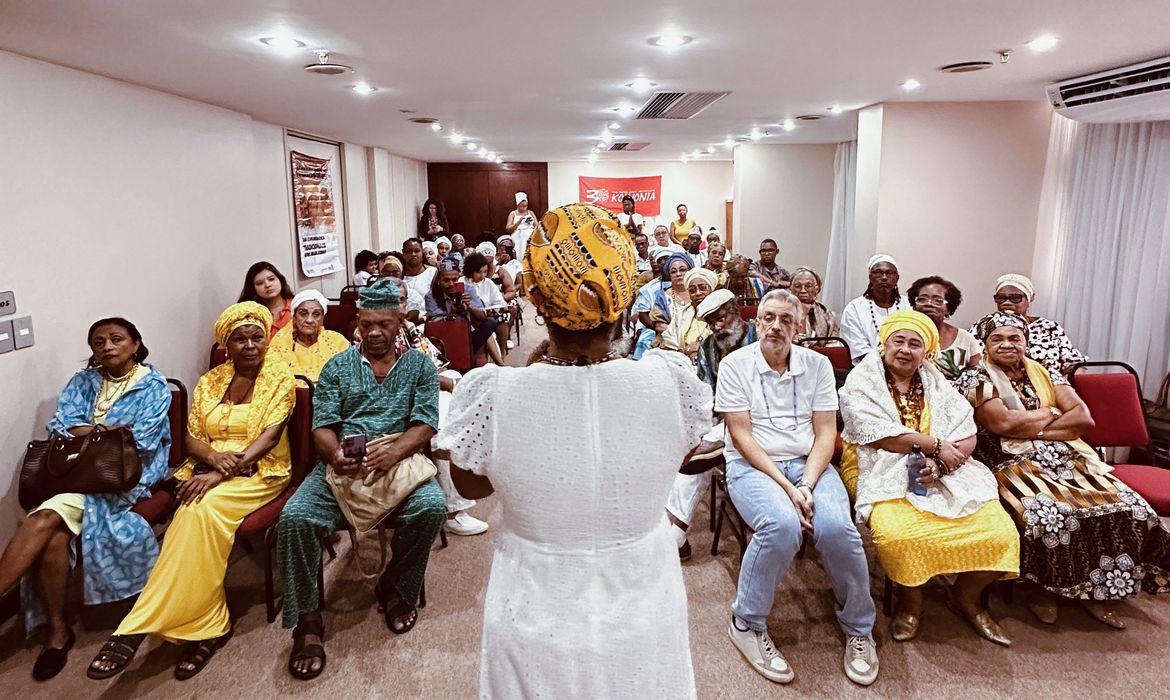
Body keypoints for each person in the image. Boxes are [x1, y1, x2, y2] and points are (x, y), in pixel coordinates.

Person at [437, 202, 711, 699]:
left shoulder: (495, 393)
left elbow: (469, 483)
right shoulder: (668, 382)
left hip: (534, 602)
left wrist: (526, 384)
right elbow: (685, 454)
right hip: (643, 598)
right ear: (624, 298)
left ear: (538, 301)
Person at [88, 303, 294, 680]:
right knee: (193, 512)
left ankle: (137, 624)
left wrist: (220, 473)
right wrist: (214, 459)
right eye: (239, 338)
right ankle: (210, 625)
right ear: (226, 345)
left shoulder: (280, 375)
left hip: (260, 472)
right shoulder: (211, 380)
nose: (249, 345)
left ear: (268, 338)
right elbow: (192, 438)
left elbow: (269, 436)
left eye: (256, 336)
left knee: (196, 508)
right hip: (208, 468)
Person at [277, 279, 447, 681]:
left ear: (399, 320)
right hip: (343, 467)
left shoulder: (420, 366)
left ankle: (395, 586)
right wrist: (334, 453)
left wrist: (395, 451)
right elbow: (322, 426)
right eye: (367, 323)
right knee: (295, 518)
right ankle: (306, 619)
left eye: (384, 324)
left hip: (399, 462)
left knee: (432, 507)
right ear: (357, 321)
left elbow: (425, 422)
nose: (374, 332)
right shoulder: (337, 367)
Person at [956, 312, 1170, 628]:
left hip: (1068, 456)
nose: (1007, 344)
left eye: (1014, 338)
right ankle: (1042, 591)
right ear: (985, 345)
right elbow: (1002, 424)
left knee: (1128, 507)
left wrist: (1036, 429)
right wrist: (1053, 412)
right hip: (1009, 461)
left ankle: (1099, 592)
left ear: (1026, 342)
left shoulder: (1047, 373)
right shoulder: (975, 378)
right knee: (1048, 516)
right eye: (997, 338)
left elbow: (1083, 419)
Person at [718, 289, 878, 686]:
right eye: (769, 317)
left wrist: (805, 483)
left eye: (786, 320)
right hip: (754, 466)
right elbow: (742, 437)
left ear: (799, 326)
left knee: (839, 529)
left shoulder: (818, 365)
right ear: (757, 321)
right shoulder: (734, 365)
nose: (776, 326)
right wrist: (788, 490)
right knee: (781, 527)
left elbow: (826, 434)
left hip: (811, 466)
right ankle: (746, 622)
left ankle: (859, 628)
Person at [0, 319, 170, 681]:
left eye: (116, 339)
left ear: (136, 344)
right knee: (53, 535)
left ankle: (58, 634)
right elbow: (60, 425)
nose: (107, 346)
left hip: (125, 477)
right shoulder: (82, 382)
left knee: (42, 518)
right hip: (76, 476)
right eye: (98, 342)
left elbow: (140, 442)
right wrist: (107, 433)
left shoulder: (155, 386)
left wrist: (89, 433)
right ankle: (58, 632)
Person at [839, 311, 1018, 646]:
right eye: (899, 341)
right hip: (879, 461)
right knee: (899, 535)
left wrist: (943, 465)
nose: (905, 350)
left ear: (927, 352)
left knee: (1000, 532)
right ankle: (912, 603)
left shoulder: (936, 381)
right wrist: (934, 445)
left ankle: (966, 597)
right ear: (884, 344)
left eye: (915, 344)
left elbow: (967, 432)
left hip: (944, 466)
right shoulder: (862, 380)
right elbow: (877, 435)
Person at [668, 288, 758, 558]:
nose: (716, 327)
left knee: (698, 456)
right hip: (724, 418)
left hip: (766, 421)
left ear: (735, 311)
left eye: (720, 319)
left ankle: (675, 534)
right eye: (711, 323)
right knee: (690, 447)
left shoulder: (760, 336)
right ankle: (675, 531)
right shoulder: (708, 347)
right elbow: (705, 392)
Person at [977, 273, 1088, 377]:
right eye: (1001, 298)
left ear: (1030, 298)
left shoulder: (1049, 328)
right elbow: (973, 362)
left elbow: (1074, 365)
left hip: (1050, 387)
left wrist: (1070, 383)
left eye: (1015, 298)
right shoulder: (985, 326)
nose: (1006, 303)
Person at [426, 256, 505, 365]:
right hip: (445, 335)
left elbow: (482, 316)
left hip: (467, 333)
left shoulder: (468, 289)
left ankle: (468, 352)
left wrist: (470, 306)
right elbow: (435, 323)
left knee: (490, 323)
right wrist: (452, 313)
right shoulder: (431, 296)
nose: (451, 284)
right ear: (439, 280)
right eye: (446, 280)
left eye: (454, 280)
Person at [839, 254, 911, 363]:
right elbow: (858, 350)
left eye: (890, 273)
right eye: (878, 272)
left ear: (897, 278)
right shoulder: (854, 308)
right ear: (870, 277)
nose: (884, 277)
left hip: (905, 366)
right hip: (867, 368)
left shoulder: (909, 305)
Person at [908, 275, 981, 379]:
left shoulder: (965, 339)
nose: (929, 304)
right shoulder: (901, 334)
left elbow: (978, 378)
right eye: (922, 299)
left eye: (938, 300)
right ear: (914, 306)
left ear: (949, 309)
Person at [269, 289, 351, 382]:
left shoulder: (337, 341)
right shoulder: (279, 343)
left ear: (323, 318)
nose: (309, 320)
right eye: (303, 314)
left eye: (316, 314)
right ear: (294, 317)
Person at [649, 254, 707, 357]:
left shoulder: (700, 294)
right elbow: (659, 325)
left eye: (682, 270)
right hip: (670, 343)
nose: (678, 274)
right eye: (673, 272)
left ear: (689, 271)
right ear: (669, 275)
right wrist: (681, 341)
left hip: (700, 340)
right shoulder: (663, 297)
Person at [465, 249, 513, 355]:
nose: (482, 276)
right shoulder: (462, 282)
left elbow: (500, 301)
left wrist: (494, 309)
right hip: (469, 316)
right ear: (470, 270)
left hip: (488, 314)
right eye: (479, 272)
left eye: (485, 272)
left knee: (501, 318)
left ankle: (502, 352)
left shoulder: (488, 283)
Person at [632, 248, 674, 359]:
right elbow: (643, 315)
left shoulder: (683, 283)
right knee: (645, 341)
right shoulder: (649, 288)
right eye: (660, 260)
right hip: (654, 328)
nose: (663, 262)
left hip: (682, 327)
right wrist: (657, 328)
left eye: (666, 259)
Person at [238, 261, 294, 336]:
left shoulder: (297, 306)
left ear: (280, 280)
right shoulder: (249, 314)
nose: (267, 285)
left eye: (271, 279)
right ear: (253, 289)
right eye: (260, 283)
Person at [790, 267, 839, 342]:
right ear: (790, 289)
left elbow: (833, 346)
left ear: (817, 289)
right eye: (798, 286)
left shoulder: (827, 315)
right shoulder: (781, 311)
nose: (803, 290)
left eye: (808, 286)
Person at [402, 238, 437, 304]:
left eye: (417, 251)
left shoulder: (433, 273)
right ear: (403, 253)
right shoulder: (398, 274)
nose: (413, 254)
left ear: (422, 252)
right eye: (409, 251)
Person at [505, 191, 537, 262]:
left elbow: (537, 226)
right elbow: (508, 229)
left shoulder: (530, 213)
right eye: (522, 206)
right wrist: (519, 222)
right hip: (518, 237)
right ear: (517, 205)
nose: (524, 208)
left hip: (529, 236)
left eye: (525, 206)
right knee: (519, 255)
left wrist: (532, 222)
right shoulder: (513, 214)